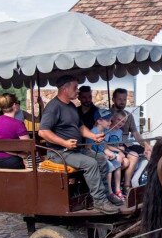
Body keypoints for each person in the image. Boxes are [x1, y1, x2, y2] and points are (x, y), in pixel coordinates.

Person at [38, 75, 121, 214]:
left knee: (100, 159)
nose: (78, 91)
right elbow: (43, 132)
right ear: (64, 89)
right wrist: (64, 142)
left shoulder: (70, 106)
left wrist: (94, 136)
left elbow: (80, 127)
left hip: (75, 151)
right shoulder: (53, 107)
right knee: (91, 163)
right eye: (75, 88)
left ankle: (106, 196)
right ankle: (99, 202)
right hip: (59, 153)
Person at [110, 88, 152, 191]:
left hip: (126, 144)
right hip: (113, 145)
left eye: (124, 99)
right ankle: (127, 185)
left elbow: (135, 133)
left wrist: (146, 145)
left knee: (151, 151)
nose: (122, 102)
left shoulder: (128, 115)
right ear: (113, 99)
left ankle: (141, 181)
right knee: (134, 155)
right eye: (119, 99)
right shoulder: (107, 114)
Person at [89, 109, 126, 200]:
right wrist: (102, 156)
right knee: (108, 166)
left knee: (117, 164)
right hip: (96, 157)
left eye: (110, 120)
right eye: (108, 120)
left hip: (103, 155)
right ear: (99, 121)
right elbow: (88, 149)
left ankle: (117, 189)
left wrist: (110, 153)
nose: (110, 122)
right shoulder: (93, 132)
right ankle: (109, 192)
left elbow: (104, 148)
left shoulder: (104, 133)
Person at [0, 93, 31, 169]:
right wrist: (20, 154)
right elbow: (28, 145)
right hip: (12, 161)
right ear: (14, 105)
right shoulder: (18, 124)